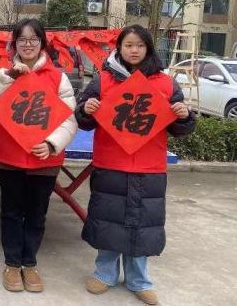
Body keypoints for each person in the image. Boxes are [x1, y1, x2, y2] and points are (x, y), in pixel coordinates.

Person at [75, 24, 195, 305]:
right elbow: (83, 119)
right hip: (111, 163)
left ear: (148, 48)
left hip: (149, 167)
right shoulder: (103, 81)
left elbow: (180, 127)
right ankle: (104, 273)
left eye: (140, 45)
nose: (134, 50)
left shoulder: (165, 83)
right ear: (119, 47)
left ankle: (139, 280)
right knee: (109, 221)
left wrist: (184, 115)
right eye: (128, 45)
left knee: (143, 225)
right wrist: (86, 110)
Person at [0, 18, 77, 293]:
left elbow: (69, 119)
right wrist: (8, 77)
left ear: (42, 43)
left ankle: (29, 263)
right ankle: (12, 264)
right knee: (11, 212)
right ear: (14, 44)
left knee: (37, 213)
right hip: (10, 157)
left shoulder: (58, 77)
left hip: (44, 159)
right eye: (22, 39)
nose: (28, 44)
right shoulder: (5, 73)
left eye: (33, 39)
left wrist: (52, 144)